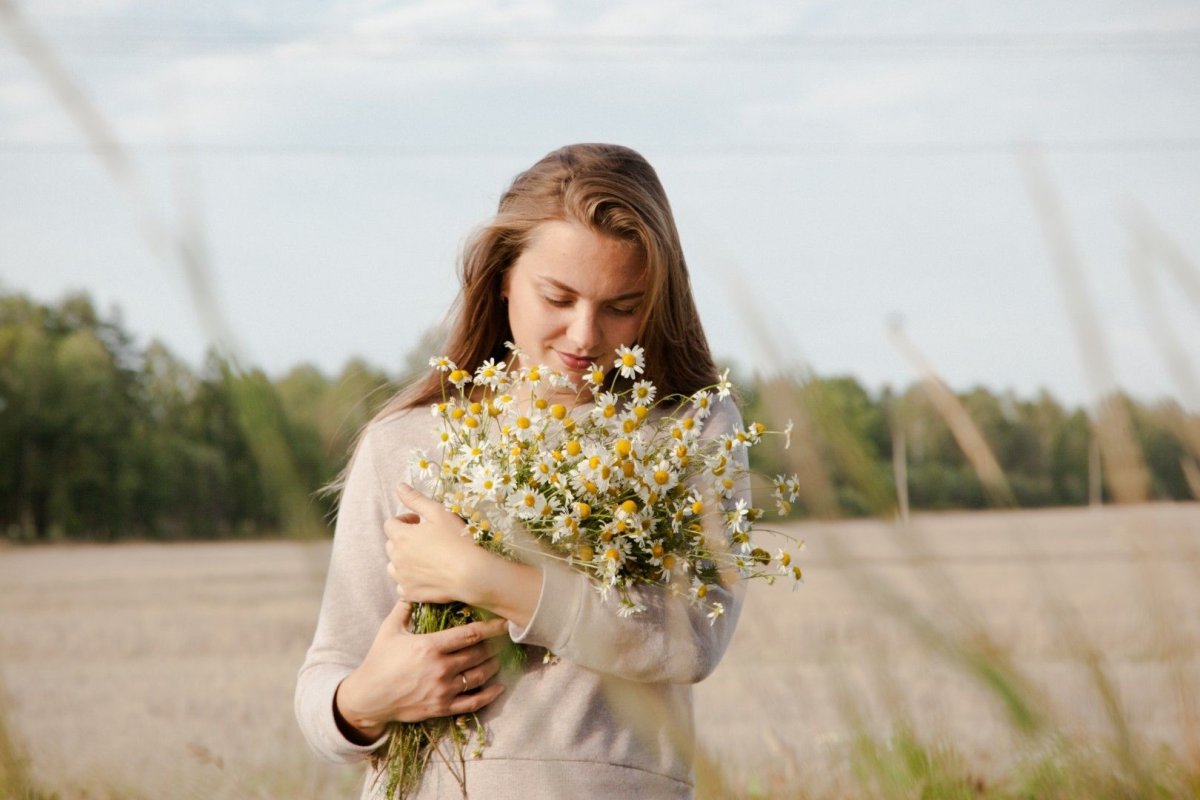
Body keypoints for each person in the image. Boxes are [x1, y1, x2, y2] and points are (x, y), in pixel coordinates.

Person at [295, 143, 750, 799]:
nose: (585, 336)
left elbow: (690, 641)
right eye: (557, 297)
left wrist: (482, 578)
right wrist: (364, 701)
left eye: (623, 305)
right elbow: (329, 670)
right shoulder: (407, 440)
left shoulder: (688, 430)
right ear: (504, 276)